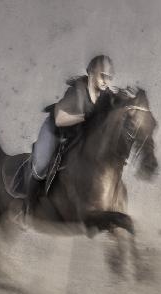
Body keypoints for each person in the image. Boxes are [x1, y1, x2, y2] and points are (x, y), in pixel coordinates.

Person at [23, 55, 116, 214]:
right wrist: (86, 116)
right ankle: (27, 207)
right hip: (55, 129)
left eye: (109, 77)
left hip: (76, 134)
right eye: (103, 76)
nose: (106, 81)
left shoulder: (106, 96)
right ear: (92, 73)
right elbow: (59, 119)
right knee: (40, 167)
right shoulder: (77, 91)